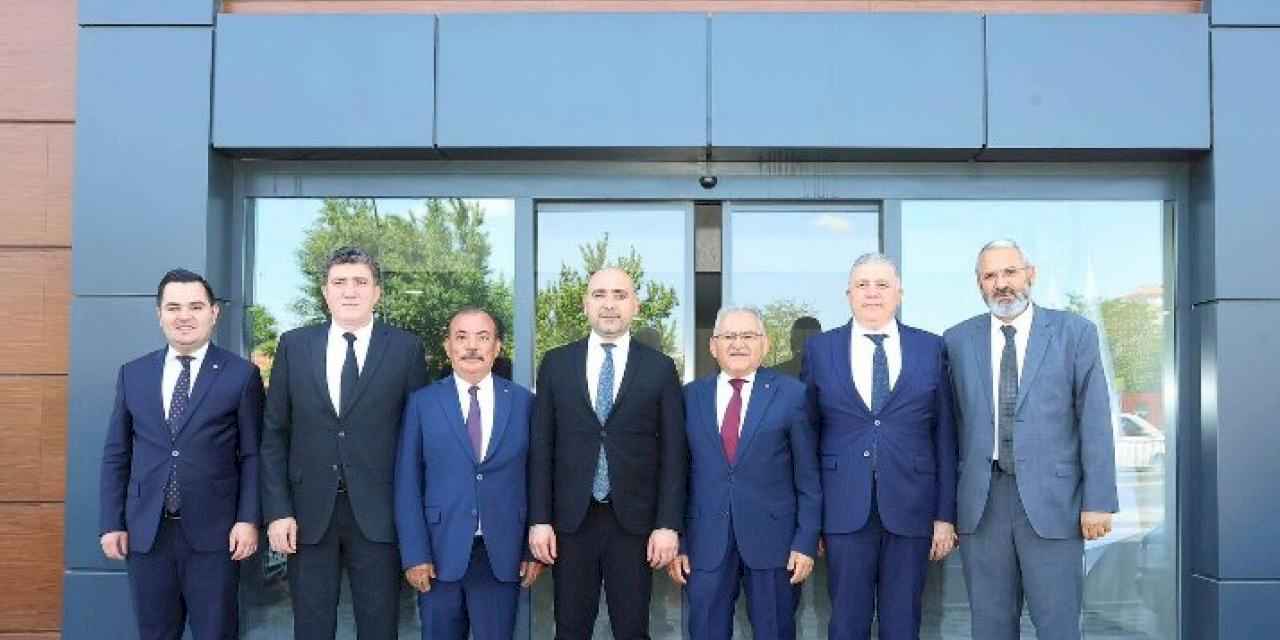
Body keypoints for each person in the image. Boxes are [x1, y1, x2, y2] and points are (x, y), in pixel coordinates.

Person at [943, 239, 1117, 640]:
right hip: (981, 505)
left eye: (1010, 272)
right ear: (979, 283)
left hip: (1055, 503)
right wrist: (944, 510)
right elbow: (948, 430)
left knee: (1058, 626)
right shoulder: (956, 341)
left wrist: (1098, 501)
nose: (1001, 283)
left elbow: (1094, 420)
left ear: (1030, 274)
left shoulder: (1075, 333)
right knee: (990, 627)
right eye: (990, 275)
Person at [260, 246, 429, 639]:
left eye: (360, 282)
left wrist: (413, 519)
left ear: (377, 292)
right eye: (339, 282)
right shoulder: (294, 345)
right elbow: (273, 434)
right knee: (311, 627)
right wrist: (278, 511)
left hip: (380, 515)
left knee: (379, 627)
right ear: (325, 291)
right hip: (307, 517)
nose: (349, 291)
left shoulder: (405, 348)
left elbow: (417, 440)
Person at [99, 268, 263, 639]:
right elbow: (116, 454)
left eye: (195, 306)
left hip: (216, 535)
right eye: (173, 307)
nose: (184, 316)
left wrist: (248, 519)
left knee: (216, 632)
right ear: (159, 314)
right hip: (147, 534)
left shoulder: (241, 375)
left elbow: (253, 455)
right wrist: (112, 522)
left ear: (213, 313)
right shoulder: (133, 374)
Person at [801, 253, 957, 640]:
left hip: (913, 507)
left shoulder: (931, 347)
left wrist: (944, 516)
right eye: (863, 285)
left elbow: (945, 436)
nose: (872, 293)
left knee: (903, 622)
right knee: (846, 622)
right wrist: (810, 521)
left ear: (899, 293)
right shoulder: (820, 350)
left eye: (882, 285)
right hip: (842, 508)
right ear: (848, 294)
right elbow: (806, 439)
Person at [527, 266, 688, 640]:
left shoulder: (660, 368)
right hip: (571, 523)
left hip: (634, 524)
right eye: (599, 294)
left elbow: (673, 453)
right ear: (585, 304)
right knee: (570, 629)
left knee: (632, 629)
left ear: (635, 305)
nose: (610, 304)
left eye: (620, 295)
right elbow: (541, 447)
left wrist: (667, 524)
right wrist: (540, 519)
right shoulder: (555, 363)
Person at [668, 306, 821, 640]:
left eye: (748, 336)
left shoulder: (793, 395)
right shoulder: (689, 397)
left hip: (776, 544)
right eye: (729, 336)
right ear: (713, 346)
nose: (738, 344)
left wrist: (806, 541)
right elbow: (678, 475)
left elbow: (808, 477)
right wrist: (678, 540)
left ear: (765, 344)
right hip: (704, 543)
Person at [395, 307, 543, 640]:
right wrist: (415, 554)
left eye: (483, 337)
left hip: (502, 555)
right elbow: (407, 483)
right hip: (438, 555)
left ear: (497, 347)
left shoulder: (524, 403)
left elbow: (536, 478)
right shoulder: (422, 403)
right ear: (448, 347)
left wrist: (530, 549)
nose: (472, 346)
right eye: (461, 337)